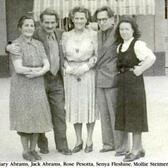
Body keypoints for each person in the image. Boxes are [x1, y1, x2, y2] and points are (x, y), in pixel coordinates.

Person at [7, 8, 71, 155]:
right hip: (40, 80)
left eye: (52, 22)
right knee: (39, 111)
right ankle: (42, 145)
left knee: (59, 113)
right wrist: (8, 47)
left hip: (56, 79)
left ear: (57, 22)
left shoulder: (61, 34)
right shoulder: (35, 33)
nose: (49, 25)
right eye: (46, 22)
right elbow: (19, 39)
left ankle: (62, 146)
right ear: (40, 23)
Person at [9, 16, 52, 161]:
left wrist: (39, 72)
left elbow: (47, 65)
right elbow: (19, 68)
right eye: (26, 25)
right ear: (20, 28)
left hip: (37, 84)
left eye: (32, 25)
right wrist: (37, 71)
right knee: (25, 117)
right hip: (22, 87)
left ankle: (33, 149)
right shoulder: (16, 45)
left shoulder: (38, 44)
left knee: (37, 117)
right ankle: (25, 151)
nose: (29, 28)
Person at [114, 16, 156, 162]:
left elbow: (151, 58)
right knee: (127, 114)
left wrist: (140, 69)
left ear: (133, 30)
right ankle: (140, 147)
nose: (124, 32)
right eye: (121, 29)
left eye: (127, 29)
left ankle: (136, 150)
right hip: (123, 84)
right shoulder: (119, 46)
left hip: (134, 84)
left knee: (135, 115)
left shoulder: (137, 44)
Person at [62, 6, 98, 153]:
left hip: (87, 73)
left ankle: (89, 140)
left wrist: (86, 67)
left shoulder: (94, 34)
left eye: (82, 18)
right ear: (72, 19)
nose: (79, 21)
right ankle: (78, 140)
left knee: (88, 106)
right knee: (75, 107)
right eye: (76, 18)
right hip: (71, 74)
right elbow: (62, 55)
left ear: (86, 19)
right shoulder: (65, 35)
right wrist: (68, 68)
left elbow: (97, 54)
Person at [93, 6, 129, 154]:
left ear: (112, 19)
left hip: (113, 77)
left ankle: (122, 146)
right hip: (100, 78)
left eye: (104, 19)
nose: (101, 22)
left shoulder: (119, 32)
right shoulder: (98, 34)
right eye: (99, 20)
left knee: (116, 113)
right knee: (104, 112)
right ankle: (108, 143)